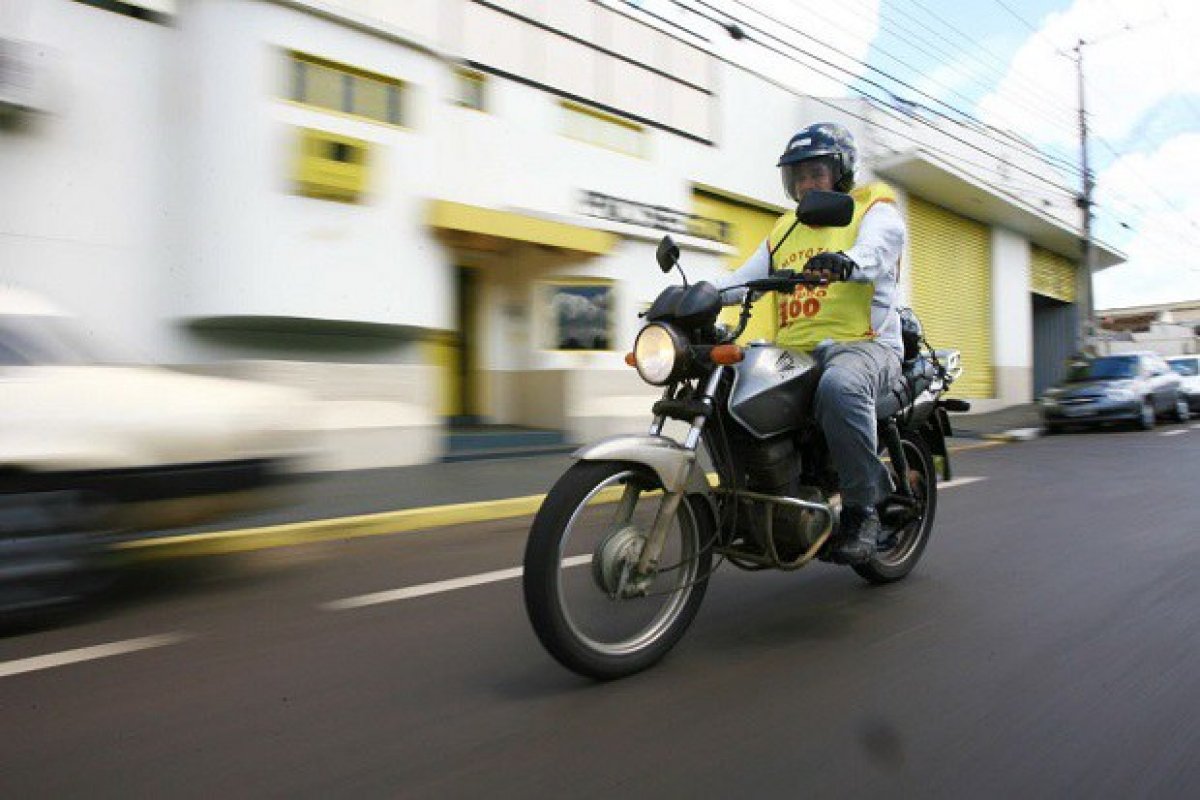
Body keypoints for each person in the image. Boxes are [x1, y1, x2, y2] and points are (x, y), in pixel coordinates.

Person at [714, 122, 907, 564]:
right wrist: (698, 297)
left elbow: (879, 249)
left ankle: (864, 511)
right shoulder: (785, 228)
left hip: (863, 345)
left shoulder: (872, 206)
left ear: (840, 173)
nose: (805, 184)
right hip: (794, 354)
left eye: (815, 173)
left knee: (841, 387)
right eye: (797, 176)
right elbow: (742, 280)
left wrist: (846, 260)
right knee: (730, 385)